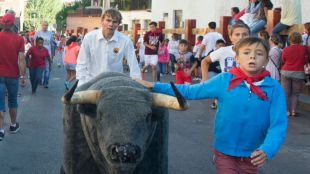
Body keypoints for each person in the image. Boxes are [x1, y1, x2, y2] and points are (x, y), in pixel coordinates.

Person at [135, 37, 287, 174]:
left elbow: (278, 125)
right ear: (237, 58)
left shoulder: (274, 89)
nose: (252, 56)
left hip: (253, 155)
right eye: (246, 52)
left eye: (259, 53)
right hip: (224, 151)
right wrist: (155, 86)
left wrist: (267, 149)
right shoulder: (224, 80)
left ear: (266, 60)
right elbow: (190, 91)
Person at [76, 8, 141, 86]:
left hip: (115, 84)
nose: (111, 24)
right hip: (92, 83)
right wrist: (81, 84)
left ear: (118, 24)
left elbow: (133, 65)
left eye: (114, 22)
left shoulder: (125, 41)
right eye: (108, 20)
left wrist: (137, 85)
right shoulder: (89, 37)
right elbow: (81, 62)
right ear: (102, 21)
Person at [0, 13, 27, 140]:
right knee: (12, 101)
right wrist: (23, 77)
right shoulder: (19, 39)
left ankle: (0, 130)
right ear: (12, 24)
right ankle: (13, 125)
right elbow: (21, 59)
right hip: (12, 75)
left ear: (2, 23)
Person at [281, 32, 309, 117]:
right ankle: (293, 111)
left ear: (290, 40)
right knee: (295, 93)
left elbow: (283, 60)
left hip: (286, 72)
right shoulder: (306, 49)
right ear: (300, 39)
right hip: (299, 73)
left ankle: (286, 111)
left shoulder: (286, 49)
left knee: (286, 93)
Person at [34, 21, 54, 88]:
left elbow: (51, 44)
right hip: (39, 54)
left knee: (47, 69)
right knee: (39, 68)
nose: (45, 26)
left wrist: (53, 55)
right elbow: (35, 44)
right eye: (44, 25)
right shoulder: (38, 33)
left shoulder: (50, 33)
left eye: (46, 25)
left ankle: (45, 82)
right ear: (41, 25)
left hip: (48, 53)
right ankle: (40, 80)